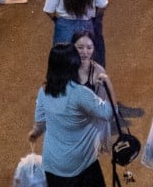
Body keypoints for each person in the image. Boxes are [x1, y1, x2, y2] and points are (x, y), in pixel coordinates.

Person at [29, 43, 112, 186]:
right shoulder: (80, 93)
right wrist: (108, 84)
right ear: (73, 65)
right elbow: (107, 113)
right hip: (81, 166)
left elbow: (40, 124)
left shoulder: (44, 90)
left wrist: (34, 133)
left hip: (52, 165)